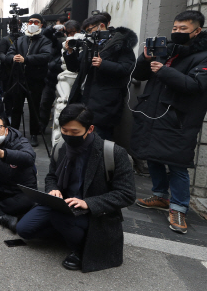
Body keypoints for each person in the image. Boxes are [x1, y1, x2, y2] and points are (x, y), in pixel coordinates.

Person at [16, 104, 135, 272]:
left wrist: (89, 203)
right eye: (64, 131)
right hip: (63, 203)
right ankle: (69, 233)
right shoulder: (61, 148)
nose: (69, 136)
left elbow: (127, 194)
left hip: (95, 213)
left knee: (59, 218)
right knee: (24, 230)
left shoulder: (113, 152)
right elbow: (51, 177)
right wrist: (53, 189)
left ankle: (80, 249)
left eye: (75, 132)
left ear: (90, 129)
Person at [132, 10, 207, 234]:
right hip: (153, 115)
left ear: (197, 31)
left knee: (177, 165)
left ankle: (178, 207)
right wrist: (145, 60)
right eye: (175, 28)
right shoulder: (166, 50)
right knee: (153, 157)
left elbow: (195, 85)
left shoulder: (203, 56)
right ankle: (160, 196)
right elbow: (141, 74)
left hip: (178, 120)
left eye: (183, 29)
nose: (177, 32)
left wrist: (164, 71)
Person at [64, 15, 137, 140]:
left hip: (105, 100)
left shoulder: (120, 43)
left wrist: (103, 64)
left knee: (101, 137)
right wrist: (70, 52)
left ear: (101, 26)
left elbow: (127, 68)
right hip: (85, 97)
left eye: (89, 30)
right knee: (85, 136)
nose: (88, 33)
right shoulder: (92, 42)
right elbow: (75, 67)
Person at [5, 13, 53, 147]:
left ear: (41, 25)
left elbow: (46, 56)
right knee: (16, 108)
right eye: (30, 22)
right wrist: (13, 58)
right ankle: (13, 133)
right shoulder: (20, 40)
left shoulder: (45, 40)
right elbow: (9, 53)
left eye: (36, 22)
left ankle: (34, 134)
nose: (32, 24)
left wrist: (26, 60)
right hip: (19, 78)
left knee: (34, 108)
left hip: (35, 80)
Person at [39, 16, 68, 129]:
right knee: (44, 104)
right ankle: (41, 128)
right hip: (51, 79)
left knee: (64, 106)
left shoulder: (75, 39)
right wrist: (54, 28)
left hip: (66, 78)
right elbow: (45, 34)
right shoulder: (56, 39)